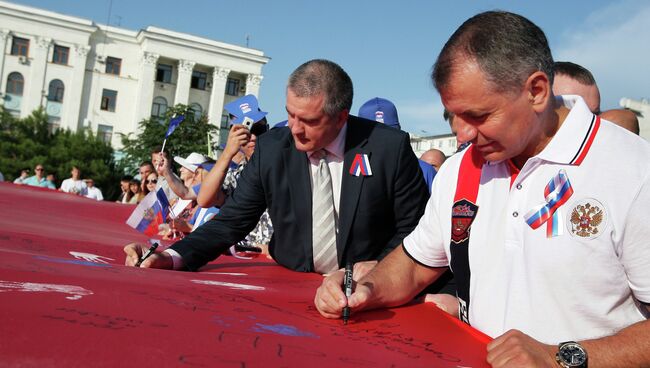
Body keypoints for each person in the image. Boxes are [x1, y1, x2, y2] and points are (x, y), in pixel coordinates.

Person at [315, 11, 650, 368]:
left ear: (536, 91)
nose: (462, 134)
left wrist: (563, 358)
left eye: (478, 115)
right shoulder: (460, 169)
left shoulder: (631, 170)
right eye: (454, 116)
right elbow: (415, 265)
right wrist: (366, 290)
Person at [124, 59, 428, 277]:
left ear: (341, 117)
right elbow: (231, 221)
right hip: (290, 284)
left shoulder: (388, 149)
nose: (294, 129)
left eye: (308, 121)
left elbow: (413, 227)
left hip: (365, 291)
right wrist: (172, 256)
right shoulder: (272, 149)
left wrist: (382, 269)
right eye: (290, 115)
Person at [197, 94, 273, 252]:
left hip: (277, 257)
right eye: (246, 131)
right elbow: (204, 200)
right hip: (244, 256)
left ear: (267, 129)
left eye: (258, 129)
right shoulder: (236, 175)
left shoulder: (284, 165)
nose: (253, 137)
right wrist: (227, 153)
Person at [357, 97, 437, 193]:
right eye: (373, 135)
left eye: (388, 133)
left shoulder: (425, 170)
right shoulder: (350, 169)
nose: (381, 141)